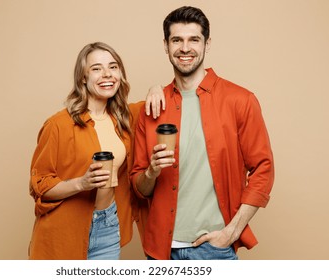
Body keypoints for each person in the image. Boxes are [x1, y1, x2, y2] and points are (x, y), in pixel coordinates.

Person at [130, 6, 275, 260]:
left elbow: (263, 169)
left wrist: (231, 232)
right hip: (160, 250)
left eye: (194, 39)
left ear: (207, 44)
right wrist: (151, 171)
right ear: (166, 45)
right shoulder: (152, 107)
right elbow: (140, 186)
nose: (185, 48)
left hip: (213, 248)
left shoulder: (240, 100)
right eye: (177, 40)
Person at [28, 42, 162, 259]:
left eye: (113, 67)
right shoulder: (58, 125)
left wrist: (155, 87)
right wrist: (81, 183)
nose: (107, 74)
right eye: (96, 69)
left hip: (109, 226)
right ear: (83, 77)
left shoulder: (127, 117)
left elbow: (166, 99)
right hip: (65, 230)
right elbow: (39, 186)